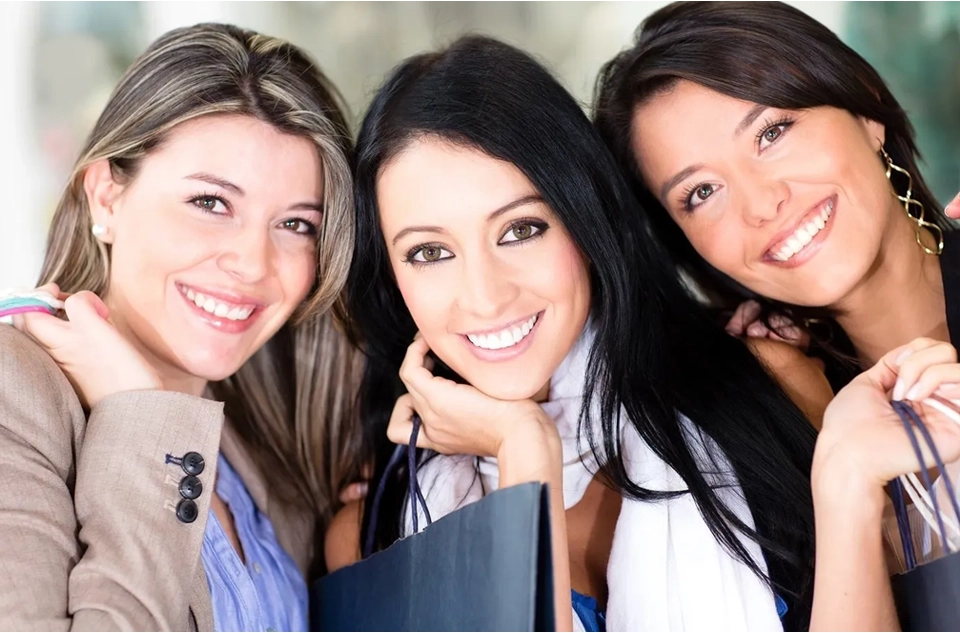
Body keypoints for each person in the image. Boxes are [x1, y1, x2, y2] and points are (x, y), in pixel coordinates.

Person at [324, 35, 960, 631]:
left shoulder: (768, 380)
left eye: (521, 230)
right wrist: (524, 451)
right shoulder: (375, 531)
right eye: (429, 253)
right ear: (391, 275)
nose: (485, 295)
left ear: (585, 220)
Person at [593, 0, 960, 621]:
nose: (762, 205)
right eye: (701, 193)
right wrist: (841, 472)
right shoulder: (753, 431)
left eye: (771, 133)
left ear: (865, 108)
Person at [0, 22, 361, 630]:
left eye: (296, 224)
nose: (252, 263)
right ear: (106, 199)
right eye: (212, 203)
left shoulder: (260, 440)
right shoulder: (13, 393)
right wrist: (140, 415)